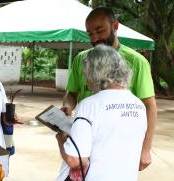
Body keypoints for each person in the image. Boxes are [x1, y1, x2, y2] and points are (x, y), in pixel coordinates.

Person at [61, 7, 157, 171]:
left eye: (100, 30)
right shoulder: (82, 59)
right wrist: (68, 107)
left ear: (115, 26)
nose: (95, 37)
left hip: (117, 144)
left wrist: (146, 149)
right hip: (83, 139)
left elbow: (149, 105)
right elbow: (72, 94)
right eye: (90, 33)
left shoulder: (136, 61)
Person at [51, 44, 147, 181]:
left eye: (86, 73)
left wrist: (61, 139)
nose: (86, 79)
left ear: (96, 72)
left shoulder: (90, 105)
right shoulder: (138, 105)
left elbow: (75, 160)